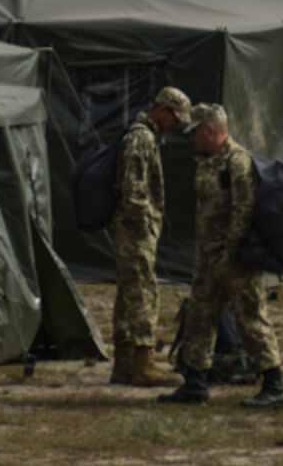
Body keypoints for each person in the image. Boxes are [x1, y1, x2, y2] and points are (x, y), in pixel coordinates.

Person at [158, 104, 283, 410]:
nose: (191, 139)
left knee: (252, 320)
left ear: (210, 131)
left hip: (235, 260)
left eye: (195, 133)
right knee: (200, 319)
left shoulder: (237, 163)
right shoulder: (207, 162)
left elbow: (244, 212)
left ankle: (274, 386)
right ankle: (195, 384)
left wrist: (233, 254)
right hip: (208, 259)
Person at [109, 86, 191, 388]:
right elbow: (133, 189)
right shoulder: (141, 138)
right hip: (134, 229)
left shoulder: (143, 136)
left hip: (131, 228)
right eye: (175, 118)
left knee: (129, 295)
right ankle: (143, 364)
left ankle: (124, 362)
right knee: (144, 293)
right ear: (163, 110)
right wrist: (146, 224)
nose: (177, 126)